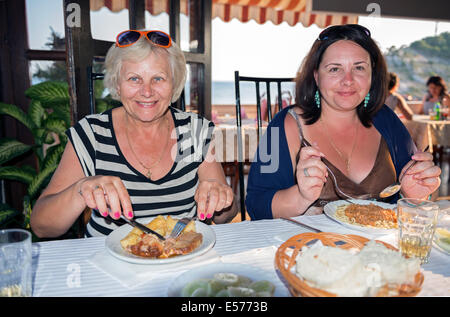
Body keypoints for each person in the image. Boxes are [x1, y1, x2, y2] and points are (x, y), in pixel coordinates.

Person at [31, 30, 237, 237]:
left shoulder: (195, 130)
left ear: (174, 84)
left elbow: (226, 215)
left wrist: (221, 199)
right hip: (108, 264)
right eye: (134, 79)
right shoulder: (91, 134)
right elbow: (41, 226)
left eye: (158, 78)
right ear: (117, 84)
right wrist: (80, 189)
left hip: (183, 258)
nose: (147, 91)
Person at [246, 24, 441, 220]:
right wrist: (300, 196)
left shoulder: (388, 120)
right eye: (334, 69)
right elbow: (256, 205)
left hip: (379, 249)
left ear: (372, 75)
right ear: (316, 76)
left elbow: (417, 198)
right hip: (307, 249)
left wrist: (415, 194)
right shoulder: (282, 125)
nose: (348, 80)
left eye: (359, 67)